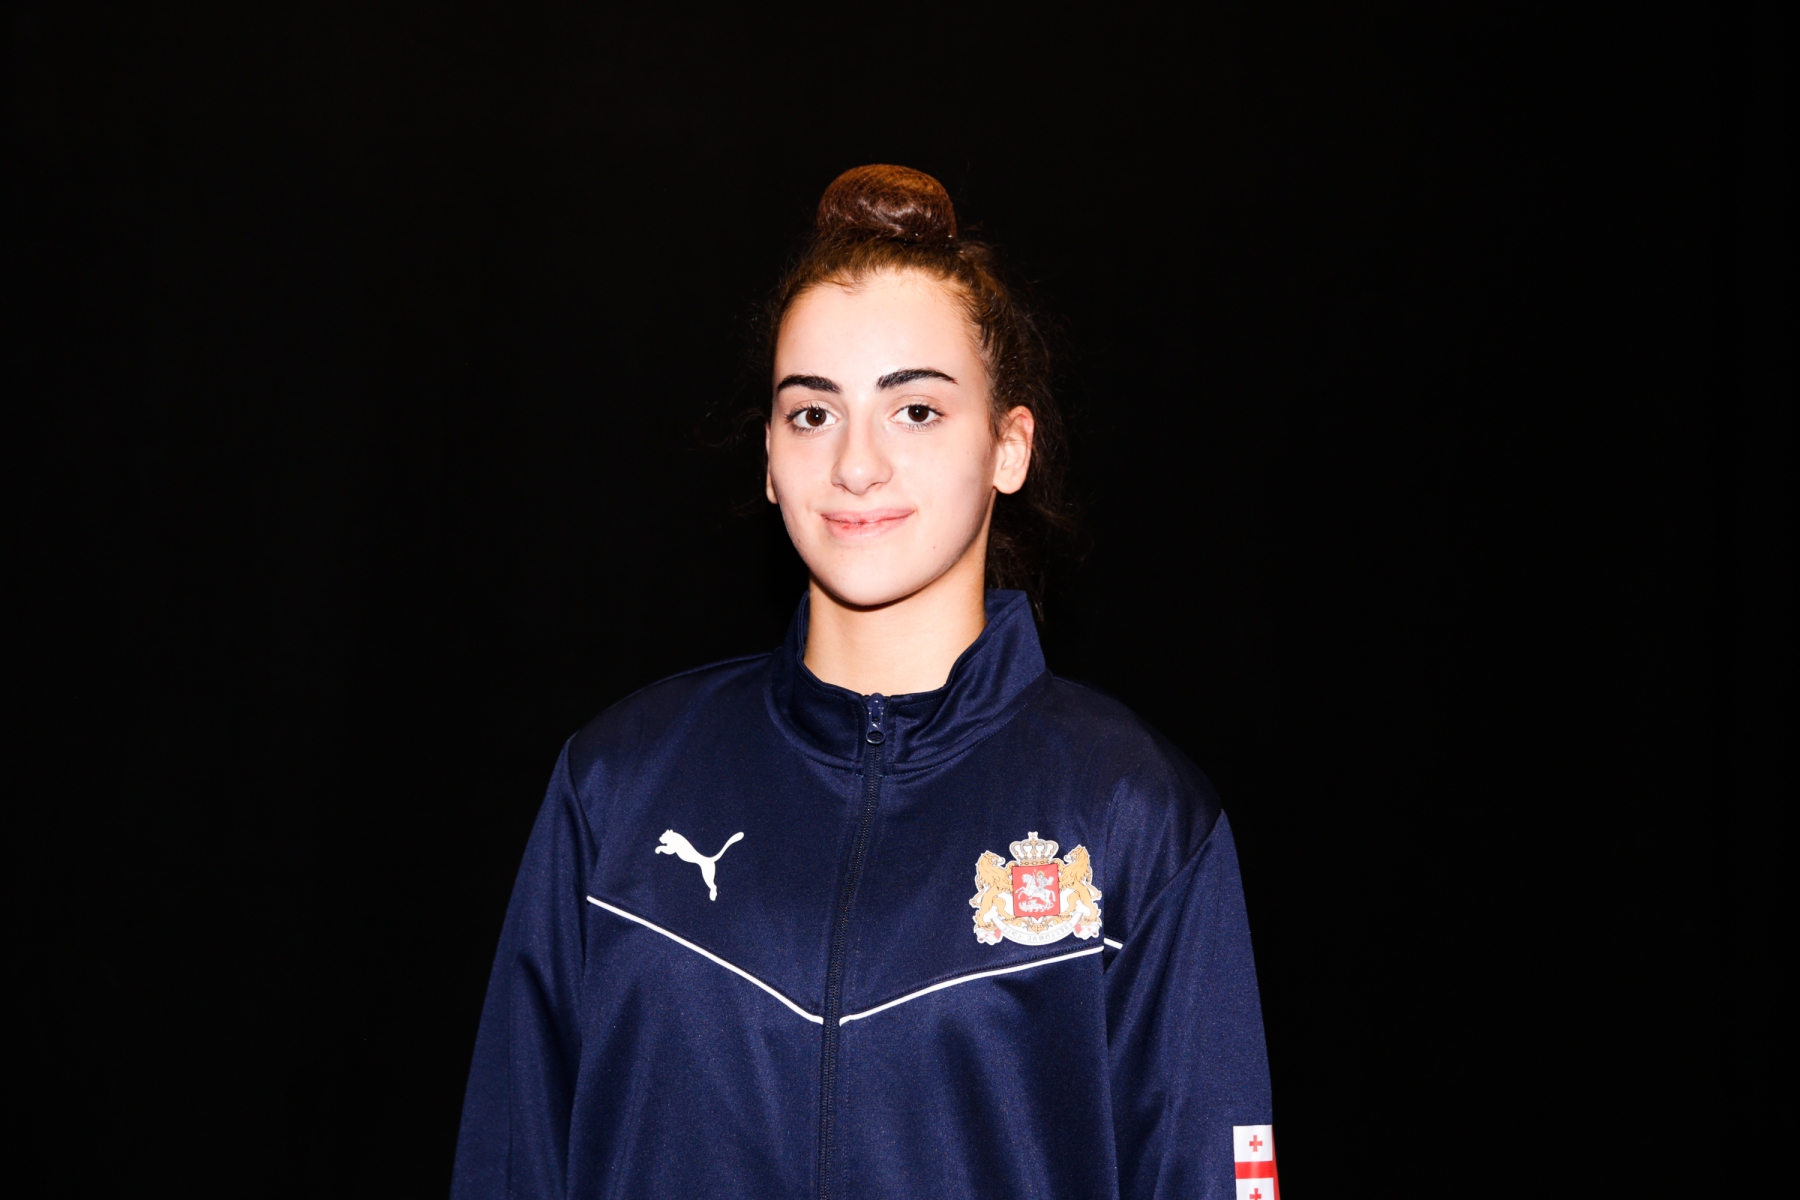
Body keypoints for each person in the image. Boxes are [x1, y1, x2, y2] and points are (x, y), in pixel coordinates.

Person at [451, 164, 1275, 1199]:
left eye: (916, 410)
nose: (855, 464)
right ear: (768, 455)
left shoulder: (1136, 818)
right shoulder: (616, 786)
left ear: (1008, 447)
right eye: (812, 413)